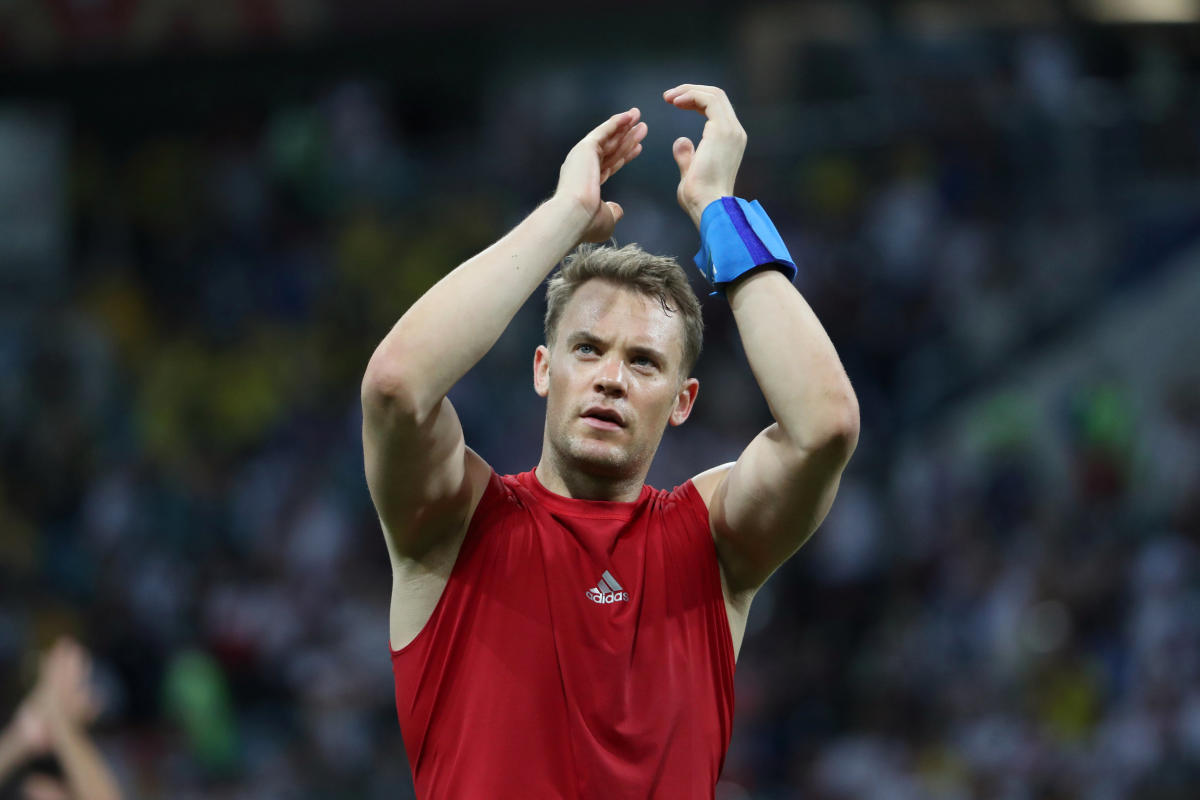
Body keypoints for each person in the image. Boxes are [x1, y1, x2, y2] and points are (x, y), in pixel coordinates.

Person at [361, 84, 859, 798]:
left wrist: (719, 206)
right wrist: (563, 217)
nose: (610, 379)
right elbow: (396, 387)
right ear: (543, 370)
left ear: (684, 401)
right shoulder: (452, 525)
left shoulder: (711, 542)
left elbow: (826, 426)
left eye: (644, 362)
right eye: (587, 349)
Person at [0, 638, 123, 800]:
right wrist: (21, 736)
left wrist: (55, 711)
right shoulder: (26, 740)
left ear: (94, 703)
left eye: (75, 681)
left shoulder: (108, 751)